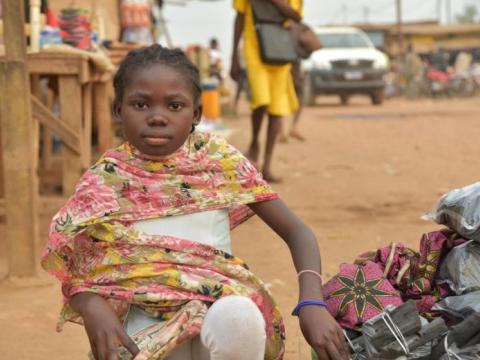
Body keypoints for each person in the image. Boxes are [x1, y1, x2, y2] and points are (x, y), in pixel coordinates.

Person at [41, 45, 348, 360]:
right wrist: (91, 304)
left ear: (196, 114)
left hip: (218, 315)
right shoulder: (103, 183)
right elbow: (75, 267)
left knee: (240, 317)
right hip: (139, 328)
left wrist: (312, 302)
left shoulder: (216, 162)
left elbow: (297, 232)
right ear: (118, 110)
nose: (158, 117)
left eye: (175, 106)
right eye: (140, 104)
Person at [230, 0, 301, 182]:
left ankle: (267, 166)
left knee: (277, 110)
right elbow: (239, 17)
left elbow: (296, 17)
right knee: (261, 101)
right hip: (254, 50)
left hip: (280, 51)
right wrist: (234, 58)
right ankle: (254, 144)